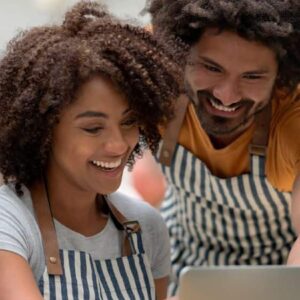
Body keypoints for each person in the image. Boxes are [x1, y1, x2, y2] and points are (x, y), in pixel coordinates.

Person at [0, 1, 181, 299]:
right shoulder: (11, 221)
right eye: (93, 128)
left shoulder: (147, 227)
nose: (118, 144)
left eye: (129, 122)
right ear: (43, 130)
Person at [133, 0, 300, 295]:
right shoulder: (152, 74)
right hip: (177, 259)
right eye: (211, 67)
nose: (226, 95)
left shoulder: (292, 114)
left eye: (253, 76)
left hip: (276, 275)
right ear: (178, 53)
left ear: (281, 76)